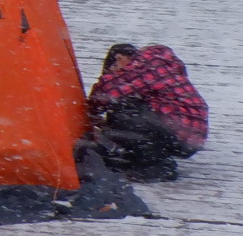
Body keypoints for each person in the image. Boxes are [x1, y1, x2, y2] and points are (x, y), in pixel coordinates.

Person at [84, 42, 208, 182]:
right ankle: (145, 156)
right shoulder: (160, 64)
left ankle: (155, 166)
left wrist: (88, 115)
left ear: (120, 58)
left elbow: (104, 94)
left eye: (114, 67)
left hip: (179, 133)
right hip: (191, 137)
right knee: (132, 110)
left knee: (123, 110)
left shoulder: (140, 69)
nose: (115, 71)